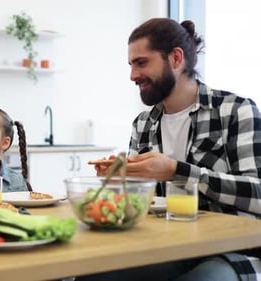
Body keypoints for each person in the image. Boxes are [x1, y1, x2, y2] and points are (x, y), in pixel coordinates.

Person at [87, 18, 261, 281]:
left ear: (176, 58)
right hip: (168, 248)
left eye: (141, 63)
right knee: (94, 275)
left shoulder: (236, 110)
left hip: (233, 250)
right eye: (131, 65)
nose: (133, 75)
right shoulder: (143, 124)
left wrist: (176, 171)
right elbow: (139, 204)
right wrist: (117, 181)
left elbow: (257, 193)